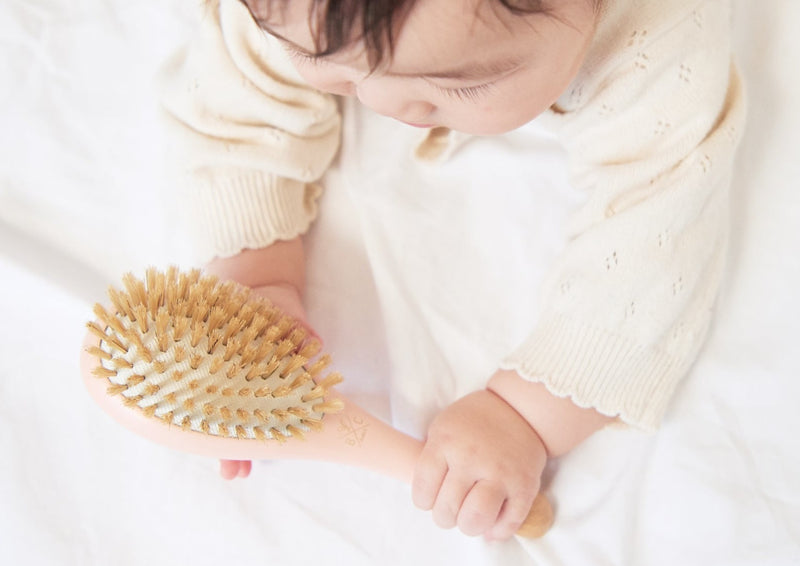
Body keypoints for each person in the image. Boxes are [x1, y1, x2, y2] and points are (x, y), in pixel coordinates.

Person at [157, 0, 745, 541]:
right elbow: (238, 99)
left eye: (461, 82)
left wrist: (528, 415)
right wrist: (257, 269)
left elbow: (657, 230)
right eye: (320, 59)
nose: (382, 104)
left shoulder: (660, 32)